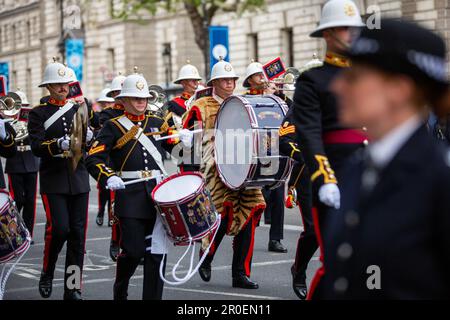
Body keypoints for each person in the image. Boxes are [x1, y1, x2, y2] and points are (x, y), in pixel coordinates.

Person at [317, 18, 450, 299]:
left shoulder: (439, 179)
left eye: (354, 77)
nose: (338, 87)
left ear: (399, 89)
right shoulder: (359, 167)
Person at [288, 0, 367, 299]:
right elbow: (309, 133)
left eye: (353, 29)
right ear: (327, 34)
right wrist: (325, 177)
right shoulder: (313, 81)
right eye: (342, 28)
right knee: (334, 262)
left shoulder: (367, 77)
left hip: (368, 176)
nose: (350, 34)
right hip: (335, 174)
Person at [86, 70, 180, 300]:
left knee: (157, 252)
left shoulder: (157, 121)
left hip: (157, 194)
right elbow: (93, 157)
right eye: (136, 98)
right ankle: (120, 287)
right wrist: (108, 176)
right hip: (130, 195)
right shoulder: (113, 126)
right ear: (124, 100)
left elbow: (175, 148)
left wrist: (185, 141)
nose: (141, 102)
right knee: (134, 251)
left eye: (144, 98)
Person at [183, 59, 266, 289]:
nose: (229, 83)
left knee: (249, 215)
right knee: (221, 216)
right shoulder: (201, 105)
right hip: (215, 166)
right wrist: (188, 137)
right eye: (224, 80)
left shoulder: (243, 102)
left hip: (245, 166)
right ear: (215, 82)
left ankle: (240, 273)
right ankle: (206, 257)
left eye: (232, 80)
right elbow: (187, 136)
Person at [28, 59, 92, 300]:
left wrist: (90, 138)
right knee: (60, 230)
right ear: (49, 87)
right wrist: (57, 144)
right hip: (53, 179)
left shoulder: (79, 109)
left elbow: (88, 141)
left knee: (78, 235)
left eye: (66, 84)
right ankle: (47, 271)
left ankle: (72, 287)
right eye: (58, 84)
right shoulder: (38, 113)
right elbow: (36, 145)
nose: (63, 88)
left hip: (79, 178)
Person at [243, 60, 287, 253]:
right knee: (256, 194)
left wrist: (279, 94)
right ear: (250, 80)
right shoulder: (244, 100)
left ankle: (275, 238)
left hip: (275, 150)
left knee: (277, 193)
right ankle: (249, 230)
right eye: (258, 76)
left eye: (263, 75)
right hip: (254, 152)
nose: (263, 78)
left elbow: (290, 114)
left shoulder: (277, 96)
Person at [97, 73, 127, 261]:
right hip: (115, 167)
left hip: (136, 167)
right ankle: (115, 241)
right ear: (115, 94)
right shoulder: (108, 115)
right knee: (117, 209)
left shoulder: (142, 113)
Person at [4, 89, 39, 243]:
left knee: (30, 201)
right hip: (15, 162)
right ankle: (15, 232)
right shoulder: (8, 122)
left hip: (31, 161)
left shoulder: (31, 121)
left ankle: (28, 233)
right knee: (18, 200)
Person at [94, 89, 115, 227]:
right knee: (103, 189)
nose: (106, 104)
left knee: (112, 191)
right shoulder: (103, 116)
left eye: (108, 102)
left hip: (114, 156)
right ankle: (101, 211)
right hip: (104, 155)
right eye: (104, 103)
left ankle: (110, 216)